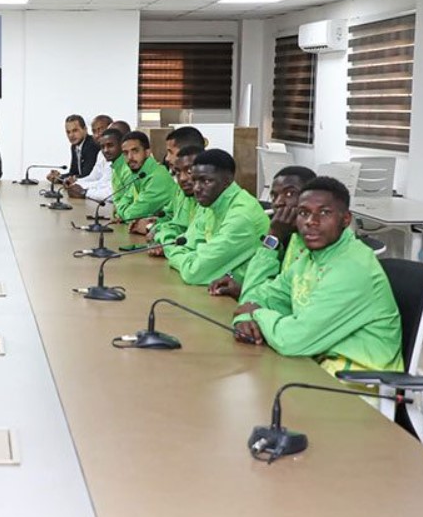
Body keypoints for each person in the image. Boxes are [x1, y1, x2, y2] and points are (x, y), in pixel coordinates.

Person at [233, 177, 404, 376]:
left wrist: (256, 314)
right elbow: (261, 295)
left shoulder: (352, 268)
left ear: (346, 219)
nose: (311, 222)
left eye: (324, 213)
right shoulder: (311, 257)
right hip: (312, 362)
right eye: (303, 213)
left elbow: (292, 340)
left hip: (356, 381)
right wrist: (244, 317)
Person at [164, 149, 269, 286]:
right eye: (195, 180)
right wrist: (189, 256)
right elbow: (186, 244)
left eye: (206, 181)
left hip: (246, 293)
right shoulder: (212, 202)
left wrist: (176, 255)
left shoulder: (241, 215)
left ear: (228, 180)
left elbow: (193, 272)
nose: (197, 188)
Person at [209, 166, 316, 299]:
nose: (278, 202)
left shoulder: (317, 242)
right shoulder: (291, 236)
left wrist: (273, 236)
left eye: (290, 194)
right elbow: (276, 293)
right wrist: (241, 289)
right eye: (274, 196)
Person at [130, 126, 207, 235]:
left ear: (186, 152)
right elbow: (169, 215)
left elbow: (186, 232)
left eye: (170, 152)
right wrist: (154, 221)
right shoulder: (181, 184)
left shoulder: (203, 191)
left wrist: (151, 228)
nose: (167, 158)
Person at [148, 144, 205, 253]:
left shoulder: (210, 202)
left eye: (189, 171)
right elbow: (178, 226)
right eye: (177, 172)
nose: (182, 178)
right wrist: (157, 231)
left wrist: (167, 247)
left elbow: (194, 243)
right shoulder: (189, 194)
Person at [115, 131, 176, 224]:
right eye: (126, 153)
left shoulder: (157, 178)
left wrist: (122, 214)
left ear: (147, 152)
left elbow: (131, 215)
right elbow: (123, 203)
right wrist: (122, 212)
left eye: (135, 151)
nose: (130, 157)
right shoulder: (138, 174)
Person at [68, 127, 122, 202]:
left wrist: (84, 192)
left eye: (110, 145)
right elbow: (99, 181)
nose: (106, 150)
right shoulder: (114, 163)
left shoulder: (126, 166)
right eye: (102, 147)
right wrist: (75, 184)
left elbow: (112, 195)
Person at [47, 115, 99, 184]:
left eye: (75, 131)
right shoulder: (74, 146)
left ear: (85, 130)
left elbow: (87, 176)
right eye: (68, 132)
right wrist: (58, 177)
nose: (71, 135)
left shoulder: (92, 145)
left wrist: (61, 179)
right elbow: (73, 173)